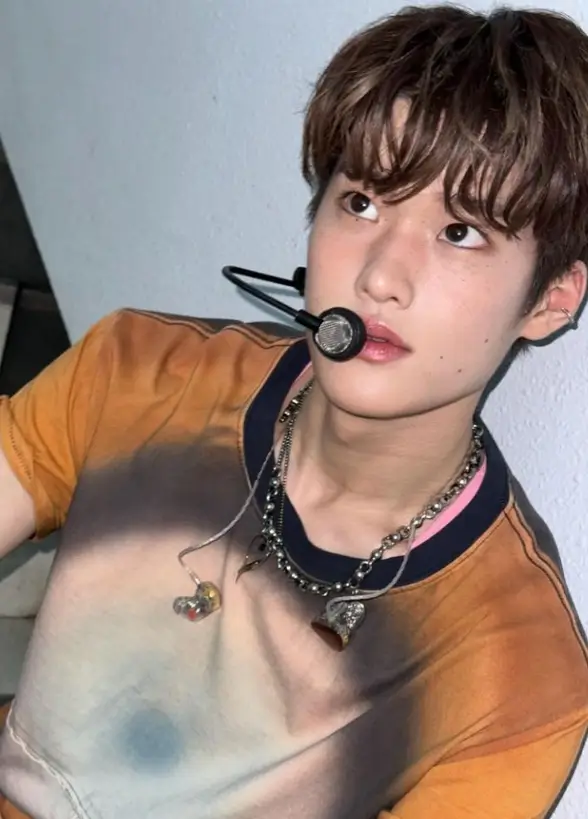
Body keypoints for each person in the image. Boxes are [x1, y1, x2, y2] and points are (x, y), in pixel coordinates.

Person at [0, 4, 587, 817]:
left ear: (551, 301)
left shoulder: (519, 669)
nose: (380, 276)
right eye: (363, 203)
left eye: (459, 232)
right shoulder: (138, 372)